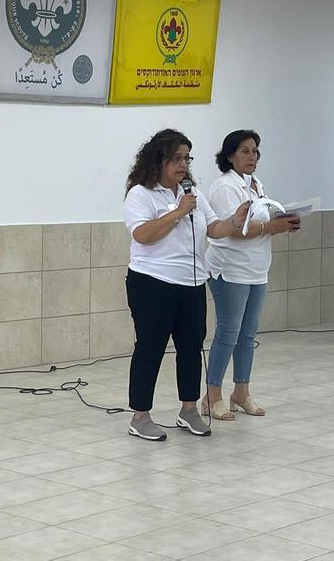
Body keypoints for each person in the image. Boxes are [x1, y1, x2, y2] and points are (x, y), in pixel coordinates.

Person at [124, 128, 250, 442]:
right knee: (150, 348)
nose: (183, 165)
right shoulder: (141, 194)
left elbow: (214, 228)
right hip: (151, 283)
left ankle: (189, 409)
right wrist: (179, 212)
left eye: (187, 158)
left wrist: (234, 221)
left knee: (192, 348)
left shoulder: (192, 194)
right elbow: (142, 235)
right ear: (158, 161)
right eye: (176, 158)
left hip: (191, 281)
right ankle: (140, 416)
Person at [204, 129, 300, 420]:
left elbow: (261, 222)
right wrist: (272, 227)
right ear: (230, 155)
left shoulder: (256, 184)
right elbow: (234, 229)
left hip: (257, 269)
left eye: (255, 151)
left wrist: (284, 223)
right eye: (245, 151)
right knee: (228, 333)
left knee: (248, 334)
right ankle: (212, 396)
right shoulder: (224, 186)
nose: (252, 156)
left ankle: (241, 392)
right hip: (230, 270)